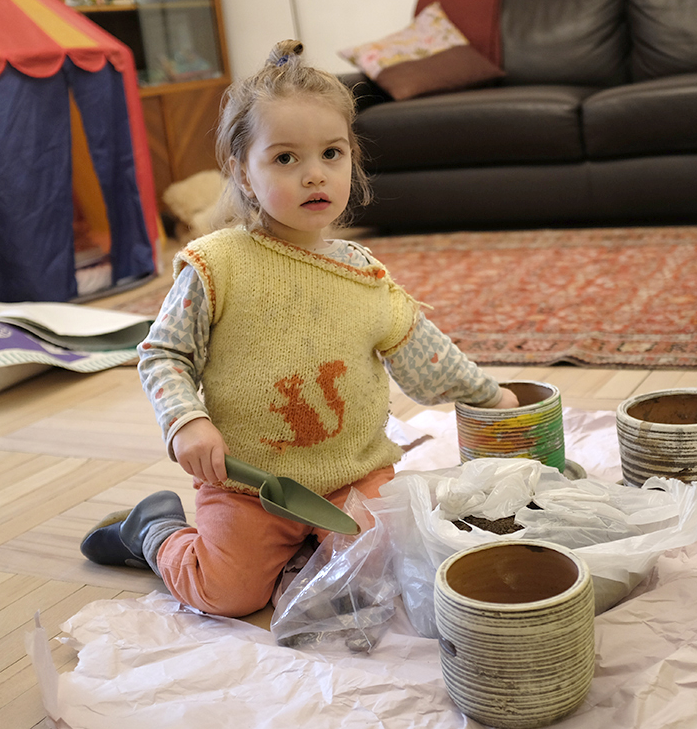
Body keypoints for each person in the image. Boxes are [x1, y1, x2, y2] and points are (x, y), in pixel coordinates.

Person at [80, 40, 520, 617]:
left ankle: (302, 556)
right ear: (242, 170)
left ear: (351, 160)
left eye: (332, 154)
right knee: (228, 595)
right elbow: (163, 355)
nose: (314, 173)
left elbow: (429, 357)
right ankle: (153, 529)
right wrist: (186, 422)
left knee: (385, 580)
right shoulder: (216, 266)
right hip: (249, 485)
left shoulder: (366, 277)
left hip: (352, 476)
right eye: (285, 158)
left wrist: (492, 398)